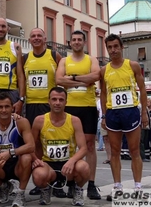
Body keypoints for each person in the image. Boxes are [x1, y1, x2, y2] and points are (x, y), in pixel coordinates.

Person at [100, 33, 148, 201]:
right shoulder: (104, 70)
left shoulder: (132, 65)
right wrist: (104, 116)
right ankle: (118, 187)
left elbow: (142, 89)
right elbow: (104, 94)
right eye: (109, 47)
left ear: (121, 47)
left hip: (131, 111)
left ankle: (138, 187)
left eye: (115, 46)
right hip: (113, 113)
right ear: (107, 49)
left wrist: (144, 113)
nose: (113, 50)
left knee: (135, 151)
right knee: (115, 152)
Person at [55, 30, 101, 199]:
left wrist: (72, 77)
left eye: (79, 40)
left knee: (89, 146)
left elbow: (96, 76)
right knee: (70, 145)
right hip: (70, 108)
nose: (76, 42)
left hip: (87, 107)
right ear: (70, 42)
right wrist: (84, 79)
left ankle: (91, 184)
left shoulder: (91, 59)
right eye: (73, 40)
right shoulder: (65, 60)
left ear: (84, 42)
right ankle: (69, 183)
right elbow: (59, 80)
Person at [31, 86, 90, 206]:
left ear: (66, 102)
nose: (57, 103)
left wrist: (72, 161)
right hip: (48, 164)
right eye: (54, 99)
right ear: (49, 101)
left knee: (84, 167)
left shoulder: (74, 120)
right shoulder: (39, 120)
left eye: (61, 100)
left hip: (69, 165)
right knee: (38, 175)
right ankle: (45, 190)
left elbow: (83, 148)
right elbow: (29, 145)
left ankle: (77, 189)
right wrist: (36, 160)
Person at [23, 27, 62, 196]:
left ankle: (58, 181)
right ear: (30, 40)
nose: (36, 38)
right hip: (31, 105)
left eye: (39, 36)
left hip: (51, 105)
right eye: (33, 36)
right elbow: (22, 82)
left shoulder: (54, 56)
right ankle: (40, 181)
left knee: (56, 141)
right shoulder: (25, 58)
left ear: (45, 38)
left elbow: (61, 78)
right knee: (36, 143)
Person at [0, 92, 35, 207]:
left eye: (7, 106)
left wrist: (10, 152)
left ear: (12, 108)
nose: (4, 110)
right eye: (0, 107)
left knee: (27, 157)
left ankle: (20, 193)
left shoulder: (21, 123)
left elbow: (31, 146)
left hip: (17, 164)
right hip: (0, 166)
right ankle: (4, 187)